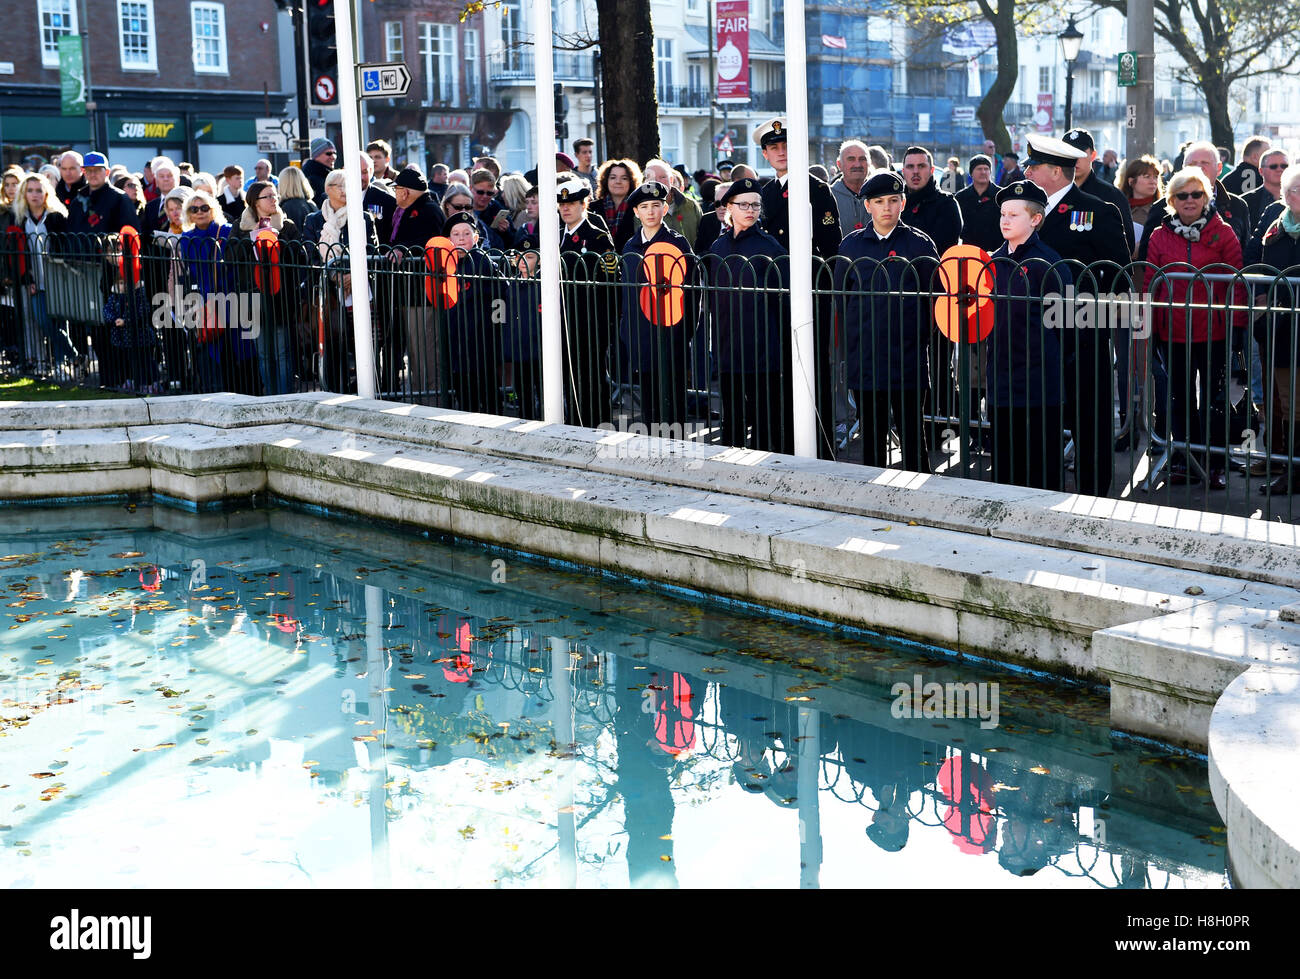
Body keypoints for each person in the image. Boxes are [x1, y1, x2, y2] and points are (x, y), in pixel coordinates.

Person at [1024, 133, 1130, 497]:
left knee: (1091, 419)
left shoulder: (1098, 210)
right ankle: (1042, 491)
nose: (1026, 173)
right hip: (1034, 334)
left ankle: (1094, 495)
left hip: (1081, 333)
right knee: (1042, 417)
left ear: (1055, 171)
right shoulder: (1023, 210)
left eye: (1033, 167)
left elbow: (1120, 274)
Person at [1142, 166, 1246, 490]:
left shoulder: (1223, 232)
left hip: (1213, 332)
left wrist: (1238, 328)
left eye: (1196, 194)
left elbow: (1238, 284)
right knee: (1179, 398)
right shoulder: (1160, 235)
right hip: (1171, 331)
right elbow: (1150, 283)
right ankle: (1185, 460)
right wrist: (1147, 327)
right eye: (1182, 195)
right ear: (1171, 200)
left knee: (1214, 401)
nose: (1190, 201)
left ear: (1206, 196)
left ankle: (1214, 464)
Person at [835, 169, 938, 472]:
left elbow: (934, 298)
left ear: (903, 203)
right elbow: (841, 297)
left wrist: (918, 334)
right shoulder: (851, 245)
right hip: (865, 357)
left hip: (907, 356)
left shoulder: (919, 244)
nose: (887, 207)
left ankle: (919, 501)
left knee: (912, 438)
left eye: (894, 200)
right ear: (867, 205)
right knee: (872, 440)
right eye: (879, 201)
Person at [754, 117, 842, 459]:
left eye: (786, 146)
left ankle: (819, 444)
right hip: (774, 294)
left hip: (807, 293)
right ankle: (784, 441)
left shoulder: (815, 189)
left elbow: (830, 249)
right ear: (765, 154)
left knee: (812, 370)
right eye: (773, 147)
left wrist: (822, 293)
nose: (780, 152)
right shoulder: (763, 193)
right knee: (778, 369)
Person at [987, 180, 1071, 489]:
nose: (1005, 221)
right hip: (1001, 378)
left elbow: (1065, 323)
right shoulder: (992, 261)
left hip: (1040, 382)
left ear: (1035, 219)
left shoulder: (1049, 261)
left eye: (1014, 215)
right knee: (1004, 467)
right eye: (1003, 214)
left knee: (1042, 468)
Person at [706, 177, 793, 453]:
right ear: (729, 208)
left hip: (762, 348)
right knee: (731, 419)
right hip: (727, 345)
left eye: (755, 205)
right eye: (743, 204)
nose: (750, 210)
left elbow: (783, 299)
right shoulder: (718, 246)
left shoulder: (770, 247)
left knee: (764, 422)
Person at [618, 180, 697, 429]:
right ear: (636, 212)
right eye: (644, 206)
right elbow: (628, 299)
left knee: (673, 403)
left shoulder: (678, 244)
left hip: (671, 336)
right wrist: (628, 335)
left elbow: (691, 295)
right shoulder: (630, 247)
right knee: (650, 405)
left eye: (656, 205)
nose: (651, 211)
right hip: (642, 337)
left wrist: (684, 333)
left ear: (665, 208)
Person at [302, 169, 379, 393]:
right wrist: (334, 276)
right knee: (334, 344)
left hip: (359, 290)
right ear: (327, 190)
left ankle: (368, 390)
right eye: (339, 186)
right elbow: (309, 254)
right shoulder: (314, 220)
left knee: (364, 343)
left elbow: (372, 251)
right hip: (327, 292)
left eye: (348, 185)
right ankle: (336, 389)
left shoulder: (361, 217)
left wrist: (352, 275)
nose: (345, 190)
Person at [1250, 164, 1300, 495]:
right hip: (1283, 331)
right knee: (1288, 401)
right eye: (1294, 190)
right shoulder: (1275, 230)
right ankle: (1293, 469)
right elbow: (1263, 273)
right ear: (1286, 195)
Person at [230, 179, 304, 395]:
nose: (274, 200)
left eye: (275, 196)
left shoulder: (286, 226)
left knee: (282, 352)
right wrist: (251, 238)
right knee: (263, 353)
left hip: (280, 297)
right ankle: (269, 398)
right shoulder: (240, 227)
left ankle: (284, 396)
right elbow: (230, 258)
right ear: (255, 202)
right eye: (268, 196)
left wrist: (278, 241)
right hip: (253, 298)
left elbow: (299, 258)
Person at [554, 177, 617, 428]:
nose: (566, 208)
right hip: (563, 317)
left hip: (590, 318)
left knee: (591, 375)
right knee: (567, 373)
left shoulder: (597, 236)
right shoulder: (555, 236)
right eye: (562, 204)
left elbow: (610, 280)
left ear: (584, 203)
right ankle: (573, 420)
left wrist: (606, 320)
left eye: (572, 203)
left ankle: (597, 423)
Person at [178, 189, 252, 394]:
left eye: (204, 208)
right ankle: (217, 390)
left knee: (239, 347)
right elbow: (189, 272)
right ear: (188, 214)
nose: (200, 212)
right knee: (211, 345)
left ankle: (244, 390)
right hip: (205, 301)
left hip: (233, 297)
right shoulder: (187, 238)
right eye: (194, 209)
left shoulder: (227, 231)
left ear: (213, 209)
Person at [1137, 141, 1249, 261]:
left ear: (1219, 168)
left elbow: (1245, 253)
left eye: (1205, 163)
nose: (1198, 168)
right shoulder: (1163, 207)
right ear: (1183, 169)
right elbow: (1146, 256)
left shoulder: (1237, 205)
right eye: (1193, 163)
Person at [388, 166, 445, 402]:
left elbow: (434, 241)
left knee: (426, 352)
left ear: (406, 191)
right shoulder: (411, 209)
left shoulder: (428, 210)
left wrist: (405, 248)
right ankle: (423, 397)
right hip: (410, 294)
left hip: (422, 295)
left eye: (398, 189)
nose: (395, 194)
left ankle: (432, 401)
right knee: (416, 352)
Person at [10, 172, 75, 372]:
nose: (34, 194)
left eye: (39, 190)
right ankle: (74, 355)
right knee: (44, 321)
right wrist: (27, 278)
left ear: (46, 193)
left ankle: (60, 364)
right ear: (24, 193)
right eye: (30, 190)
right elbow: (20, 253)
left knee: (59, 322)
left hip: (58, 279)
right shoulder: (20, 218)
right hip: (35, 280)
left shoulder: (57, 216)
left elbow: (67, 246)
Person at [442, 212, 504, 415]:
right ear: (449, 239)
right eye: (456, 234)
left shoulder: (483, 262)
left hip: (481, 334)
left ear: (476, 238)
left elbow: (502, 292)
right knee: (462, 386)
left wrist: (497, 323)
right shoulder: (447, 263)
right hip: (456, 334)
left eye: (466, 233)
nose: (461, 238)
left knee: (485, 387)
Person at [1062, 129, 1135, 254]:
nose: (1075, 159)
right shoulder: (1054, 193)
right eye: (1069, 153)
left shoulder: (1111, 195)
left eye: (1080, 152)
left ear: (1093, 155)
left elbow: (1127, 245)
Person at [954, 153, 1002, 252]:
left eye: (986, 169)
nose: (983, 172)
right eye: (979, 169)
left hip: (996, 253)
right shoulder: (960, 197)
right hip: (969, 252)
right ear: (971, 173)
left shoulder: (1001, 195)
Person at [594, 158, 642, 251]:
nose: (618, 181)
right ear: (606, 180)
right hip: (597, 263)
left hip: (629, 261)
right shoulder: (592, 208)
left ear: (631, 181)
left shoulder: (639, 208)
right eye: (613, 177)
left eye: (624, 178)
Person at [1117, 154, 1163, 253]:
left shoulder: (1163, 210)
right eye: (1147, 177)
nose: (1153, 181)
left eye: (1155, 177)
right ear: (1131, 181)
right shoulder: (1118, 208)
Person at [831, 139, 871, 237]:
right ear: (839, 165)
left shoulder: (879, 195)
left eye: (862, 159)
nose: (857, 164)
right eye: (851, 159)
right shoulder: (828, 197)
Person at [1245, 149, 1289, 228]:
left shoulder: (1296, 198)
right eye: (1273, 166)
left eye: (1284, 166)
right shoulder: (1246, 201)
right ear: (1261, 171)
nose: (1279, 169)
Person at [302, 138, 337, 205]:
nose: (333, 157)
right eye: (328, 153)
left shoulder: (327, 175)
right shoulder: (312, 179)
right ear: (315, 155)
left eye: (334, 153)